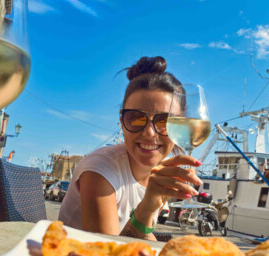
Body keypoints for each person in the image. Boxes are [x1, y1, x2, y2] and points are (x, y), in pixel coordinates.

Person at [58, 56, 203, 240]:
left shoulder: (161, 172)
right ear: (121, 122)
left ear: (180, 126)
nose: (150, 133)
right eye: (136, 118)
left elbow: (143, 236)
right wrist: (147, 208)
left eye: (164, 121)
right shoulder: (100, 170)